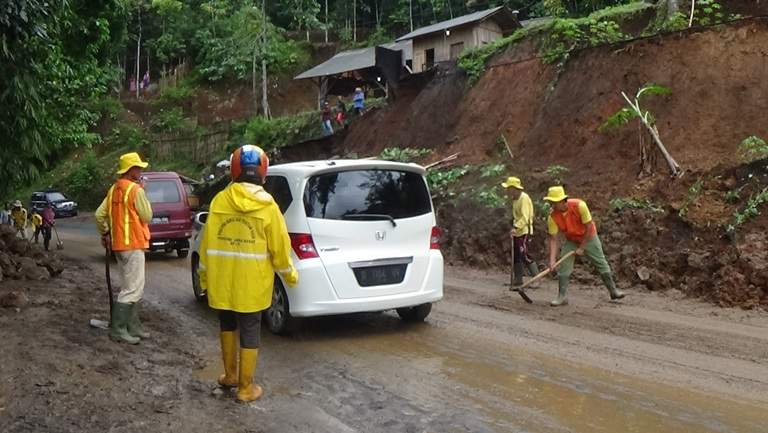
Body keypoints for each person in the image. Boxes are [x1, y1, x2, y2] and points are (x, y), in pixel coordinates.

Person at [198, 144, 298, 403]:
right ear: (263, 171)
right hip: (252, 285)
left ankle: (230, 376)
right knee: (250, 330)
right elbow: (280, 248)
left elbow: (207, 245)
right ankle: (245, 388)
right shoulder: (268, 206)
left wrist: (205, 279)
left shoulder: (220, 201)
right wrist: (290, 276)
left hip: (222, 282)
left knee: (227, 324)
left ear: (234, 170)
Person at [95, 152, 153, 344]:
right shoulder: (136, 191)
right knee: (133, 288)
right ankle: (119, 329)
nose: (140, 170)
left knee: (130, 286)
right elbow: (147, 216)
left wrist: (105, 234)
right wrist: (142, 191)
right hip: (134, 244)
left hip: (120, 246)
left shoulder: (114, 190)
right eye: (138, 167)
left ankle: (133, 327)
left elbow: (99, 215)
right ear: (131, 170)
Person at [543, 186, 625, 306]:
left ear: (562, 201)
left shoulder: (579, 206)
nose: (552, 206)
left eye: (554, 203)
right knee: (564, 268)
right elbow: (554, 239)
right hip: (571, 240)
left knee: (601, 263)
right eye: (551, 203)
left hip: (589, 237)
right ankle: (562, 296)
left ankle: (613, 291)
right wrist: (552, 261)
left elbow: (589, 226)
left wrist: (582, 247)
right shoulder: (552, 217)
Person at [501, 176, 539, 286]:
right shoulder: (515, 199)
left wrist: (516, 227)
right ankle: (518, 279)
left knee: (525, 254)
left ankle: (536, 279)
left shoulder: (524, 198)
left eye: (509, 188)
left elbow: (525, 217)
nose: (507, 191)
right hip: (517, 231)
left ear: (514, 188)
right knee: (516, 256)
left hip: (524, 231)